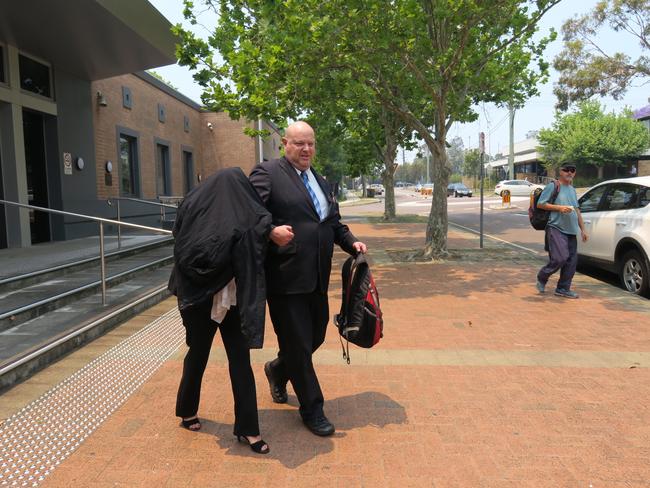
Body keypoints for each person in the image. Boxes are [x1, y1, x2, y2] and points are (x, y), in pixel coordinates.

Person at [249, 121, 367, 436]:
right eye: (299, 143)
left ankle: (277, 369)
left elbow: (333, 222)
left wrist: (351, 241)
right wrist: (269, 231)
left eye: (310, 144)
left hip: (317, 276)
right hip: (285, 278)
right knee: (299, 345)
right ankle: (312, 408)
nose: (306, 150)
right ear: (285, 143)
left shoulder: (322, 181)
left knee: (313, 337)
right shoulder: (267, 173)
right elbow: (250, 212)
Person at [168, 167, 273, 454]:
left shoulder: (195, 205)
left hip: (225, 297)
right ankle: (187, 410)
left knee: (230, 359)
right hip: (201, 298)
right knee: (207, 355)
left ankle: (248, 429)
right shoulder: (230, 212)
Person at [536, 162, 588, 298]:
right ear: (560, 172)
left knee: (571, 262)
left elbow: (577, 210)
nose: (570, 173)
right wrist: (559, 208)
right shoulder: (553, 186)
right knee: (560, 258)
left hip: (571, 230)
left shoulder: (572, 189)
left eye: (572, 170)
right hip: (556, 227)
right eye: (566, 170)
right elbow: (541, 204)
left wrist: (583, 229)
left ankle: (563, 288)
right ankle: (542, 276)